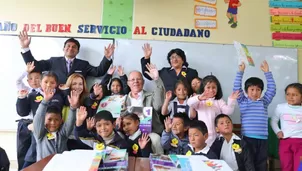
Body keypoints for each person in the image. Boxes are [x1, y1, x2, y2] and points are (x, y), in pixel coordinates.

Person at [18, 31, 114, 84]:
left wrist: (107, 57)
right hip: (55, 99)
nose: (70, 48)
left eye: (74, 47)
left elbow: (98, 72)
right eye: (68, 46)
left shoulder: (83, 64)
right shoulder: (53, 61)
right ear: (63, 48)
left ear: (77, 51)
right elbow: (34, 66)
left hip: (75, 100)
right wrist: (25, 48)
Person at [233, 61, 276, 171]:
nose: (255, 92)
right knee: (248, 163)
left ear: (261, 91)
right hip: (248, 138)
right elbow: (236, 89)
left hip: (263, 139)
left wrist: (267, 73)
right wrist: (240, 72)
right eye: (252, 89)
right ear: (247, 91)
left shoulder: (264, 101)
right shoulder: (243, 101)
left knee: (261, 164)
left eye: (258, 90)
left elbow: (272, 90)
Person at [188, 75, 239, 146]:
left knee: (215, 154)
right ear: (203, 88)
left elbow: (228, 111)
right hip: (203, 135)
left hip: (217, 135)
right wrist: (199, 97)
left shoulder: (219, 101)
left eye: (214, 87)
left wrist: (232, 100)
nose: (211, 90)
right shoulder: (200, 101)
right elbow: (189, 102)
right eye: (208, 87)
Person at [33, 89, 79, 161]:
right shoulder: (40, 135)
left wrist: (73, 108)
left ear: (61, 121)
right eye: (49, 119)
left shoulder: (63, 134)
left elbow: (70, 122)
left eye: (56, 120)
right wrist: (45, 101)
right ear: (44, 120)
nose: (53, 122)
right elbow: (38, 118)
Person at [15, 62, 41, 170]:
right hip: (25, 124)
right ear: (27, 81)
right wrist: (26, 71)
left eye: (37, 78)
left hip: (38, 126)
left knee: (34, 153)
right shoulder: (27, 90)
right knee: (23, 151)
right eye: (31, 78)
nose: (34, 81)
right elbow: (17, 81)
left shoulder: (45, 92)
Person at [271, 83, 302, 171]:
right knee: (286, 166)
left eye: (295, 95)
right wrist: (278, 131)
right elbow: (273, 121)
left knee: (300, 167)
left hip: (300, 142)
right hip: (285, 141)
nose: (290, 97)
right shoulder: (281, 107)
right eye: (288, 94)